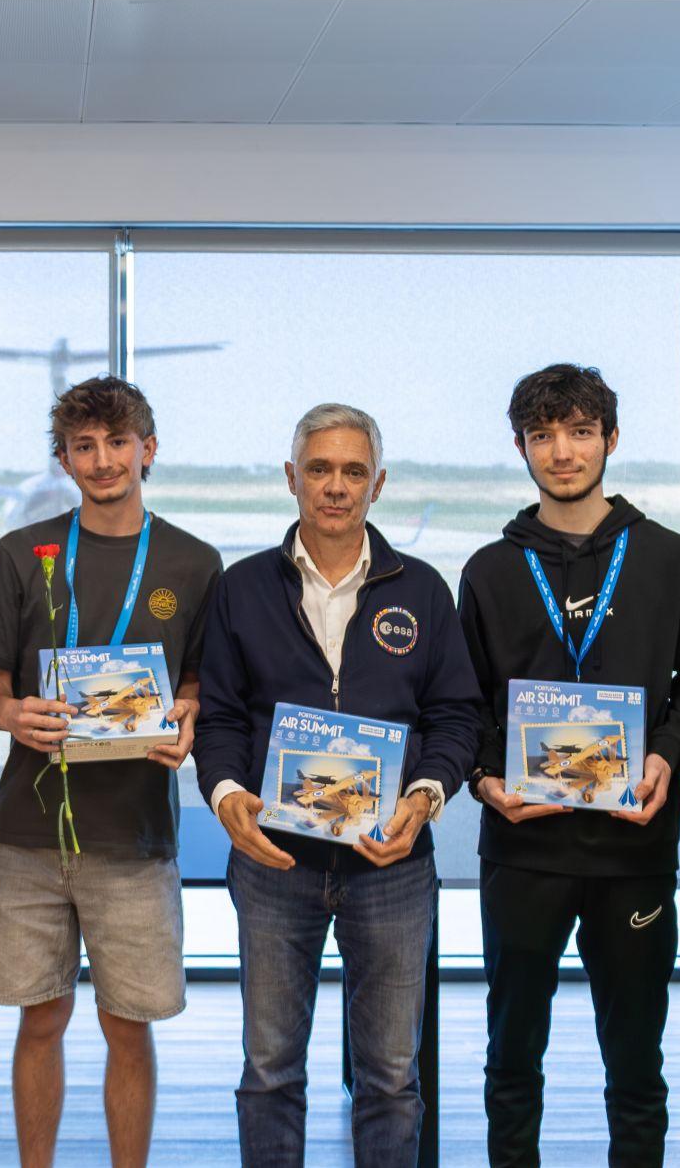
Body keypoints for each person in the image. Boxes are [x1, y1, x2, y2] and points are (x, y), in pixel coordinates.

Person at [194, 403, 482, 1168]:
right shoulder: (243, 587)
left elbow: (456, 714)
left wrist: (424, 799)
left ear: (377, 483)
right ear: (292, 478)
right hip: (272, 863)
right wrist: (227, 796)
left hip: (389, 864)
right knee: (269, 1072)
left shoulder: (421, 588)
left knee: (390, 1077)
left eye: (353, 470)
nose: (335, 486)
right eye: (319, 468)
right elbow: (219, 716)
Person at [455, 365, 680, 1168]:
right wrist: (482, 780)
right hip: (521, 848)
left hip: (632, 851)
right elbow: (463, 705)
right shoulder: (489, 570)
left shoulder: (669, 559)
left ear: (611, 438)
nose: (562, 451)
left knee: (636, 1066)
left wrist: (665, 754)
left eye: (579, 431)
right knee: (511, 1060)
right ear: (521, 447)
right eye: (543, 435)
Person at [0, 376, 222, 1168]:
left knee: (128, 1024)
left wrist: (187, 710)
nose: (103, 459)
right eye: (85, 446)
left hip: (136, 834)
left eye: (119, 442)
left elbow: (202, 681)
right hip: (27, 833)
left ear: (149, 449)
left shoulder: (194, 560)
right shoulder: (22, 550)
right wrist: (12, 714)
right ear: (64, 457)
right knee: (38, 1021)